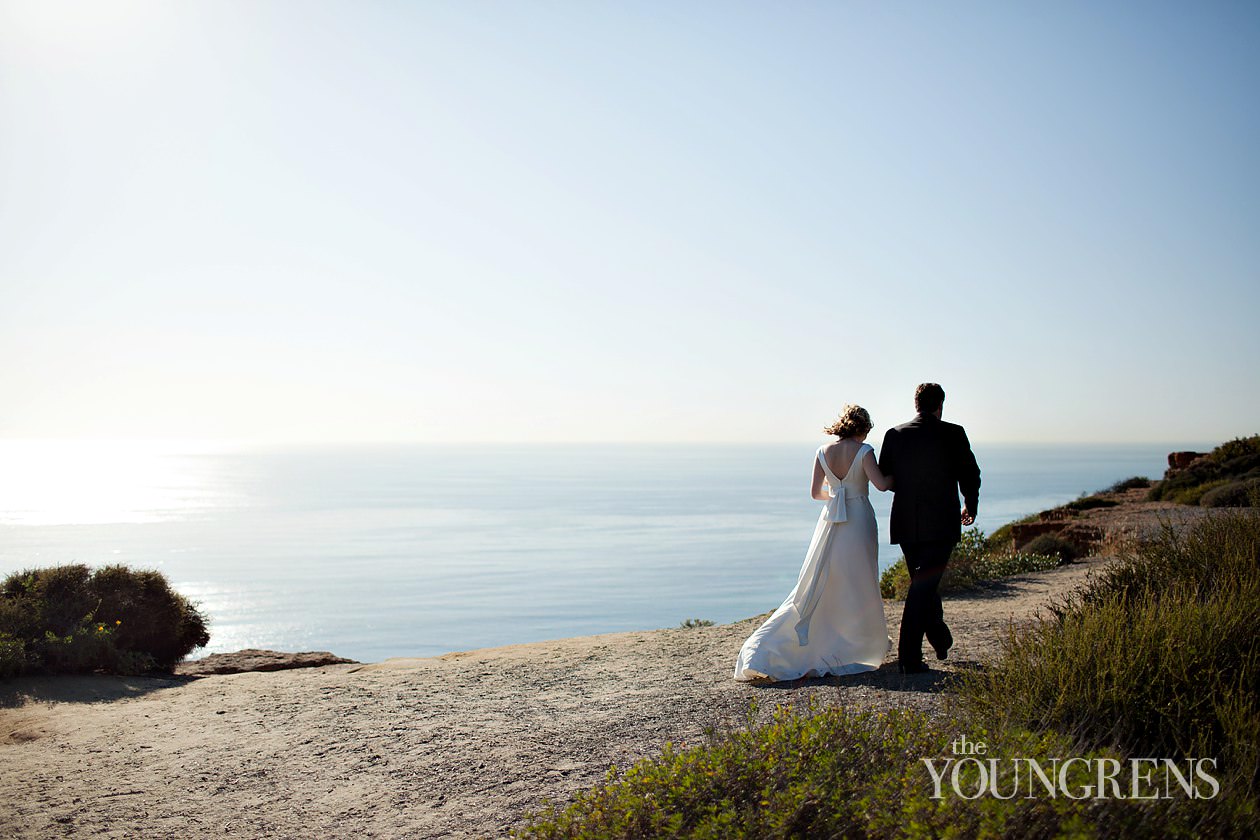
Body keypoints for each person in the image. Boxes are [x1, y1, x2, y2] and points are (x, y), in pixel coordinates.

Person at [734, 405, 894, 682]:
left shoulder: (822, 451)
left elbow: (814, 493)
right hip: (858, 519)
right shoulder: (865, 451)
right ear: (863, 427)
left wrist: (836, 495)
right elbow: (881, 485)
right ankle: (858, 644)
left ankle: (771, 648)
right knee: (859, 579)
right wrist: (898, 477)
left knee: (824, 579)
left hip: (831, 519)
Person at [878, 383, 981, 674]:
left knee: (923, 584)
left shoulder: (894, 435)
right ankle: (909, 658)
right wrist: (970, 505)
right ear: (940, 405)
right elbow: (970, 474)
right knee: (922, 588)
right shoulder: (953, 433)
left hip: (906, 523)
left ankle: (938, 634)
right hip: (941, 523)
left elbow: (888, 478)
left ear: (916, 404)